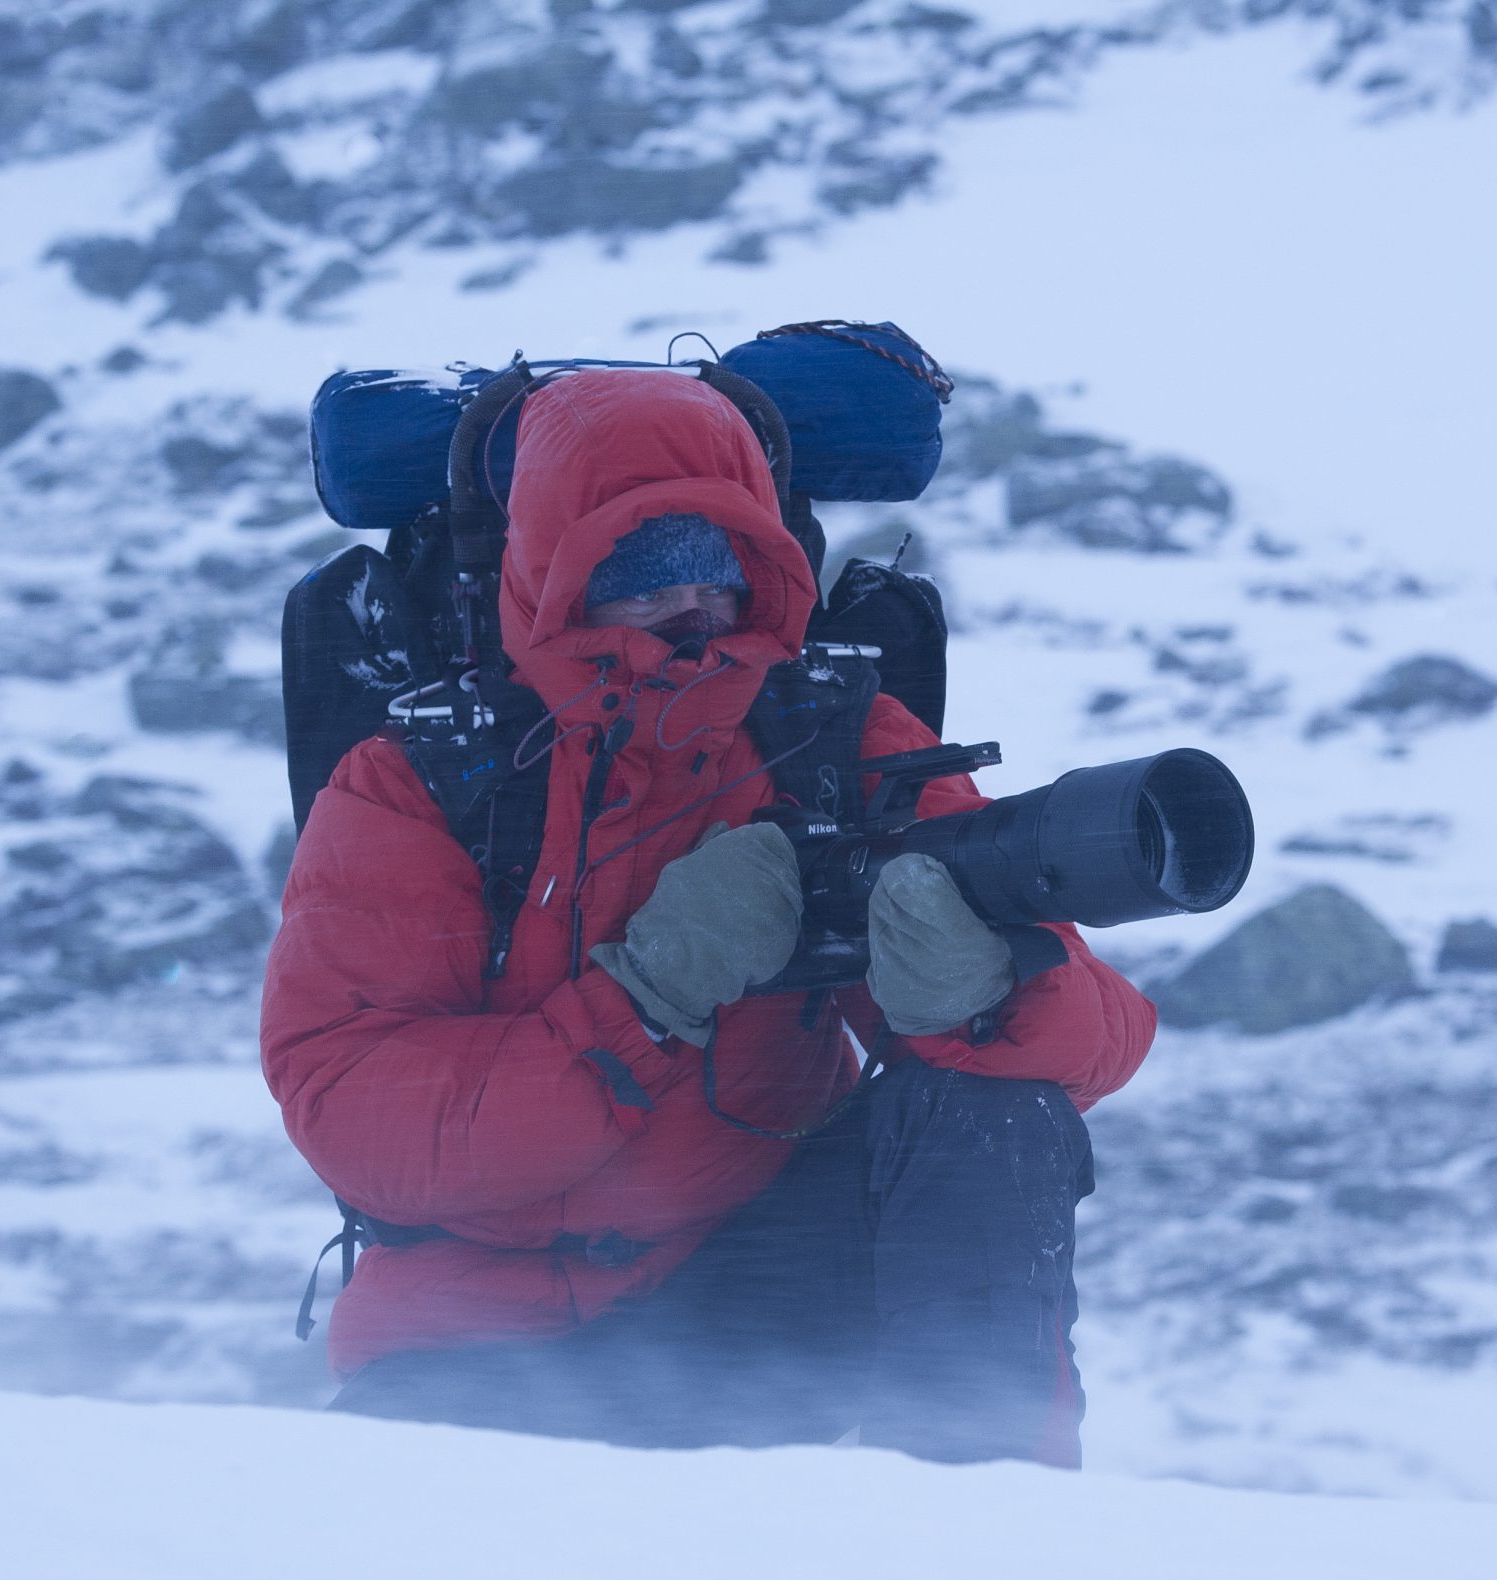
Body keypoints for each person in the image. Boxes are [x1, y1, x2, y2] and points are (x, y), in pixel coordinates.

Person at [261, 368, 1154, 1465]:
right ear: (554, 575)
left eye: (724, 568)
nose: (694, 608)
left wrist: (988, 996)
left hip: (751, 1287)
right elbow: (359, 1126)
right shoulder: (421, 783)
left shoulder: (830, 735)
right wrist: (644, 997)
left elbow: (1104, 1042)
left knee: (994, 1114)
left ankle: (980, 1523)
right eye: (642, 569)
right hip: (472, 1342)